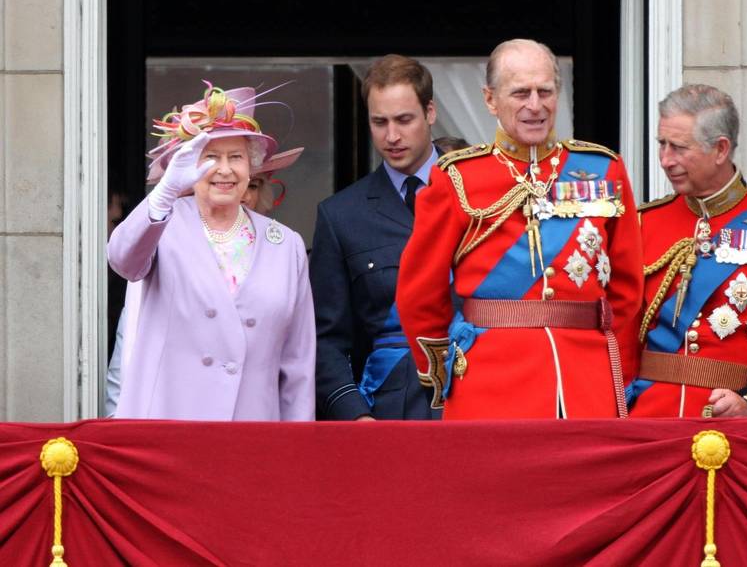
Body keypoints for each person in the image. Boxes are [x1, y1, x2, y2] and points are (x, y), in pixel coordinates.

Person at [396, 38, 643, 419]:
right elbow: (420, 295)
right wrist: (450, 371)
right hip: (488, 382)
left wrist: (616, 371)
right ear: (491, 99)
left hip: (585, 382)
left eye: (545, 91)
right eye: (520, 93)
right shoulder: (457, 177)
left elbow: (627, 290)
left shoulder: (603, 169)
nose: (535, 105)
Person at [106, 83, 315, 420]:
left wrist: (294, 450)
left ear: (252, 167)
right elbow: (122, 259)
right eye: (210, 157)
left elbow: (298, 364)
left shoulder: (286, 245)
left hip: (252, 434)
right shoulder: (161, 226)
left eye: (236, 157)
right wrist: (165, 192)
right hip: (171, 427)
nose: (225, 170)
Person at [627, 84, 747, 417]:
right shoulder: (643, 223)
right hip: (646, 420)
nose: (664, 160)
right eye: (661, 144)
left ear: (720, 149)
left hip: (731, 422)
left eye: (678, 147)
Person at [311, 55, 440, 420]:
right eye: (379, 122)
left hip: (478, 399)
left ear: (430, 112)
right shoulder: (341, 215)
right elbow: (326, 338)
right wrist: (355, 415)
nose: (392, 136)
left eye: (404, 120)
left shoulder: (479, 191)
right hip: (388, 410)